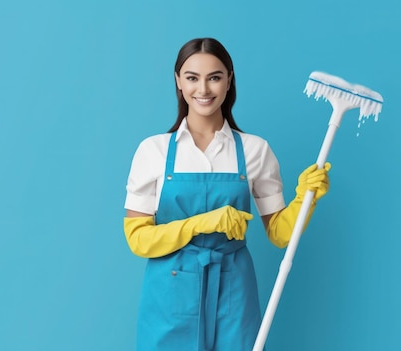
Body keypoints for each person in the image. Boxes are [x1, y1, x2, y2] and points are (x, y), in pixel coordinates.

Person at [122, 37, 331, 351]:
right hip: (170, 294)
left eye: (214, 77)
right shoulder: (153, 151)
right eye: (192, 78)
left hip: (233, 292)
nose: (203, 90)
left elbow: (279, 233)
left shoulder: (254, 150)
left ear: (229, 79)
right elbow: (138, 239)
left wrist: (305, 197)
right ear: (178, 81)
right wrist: (202, 223)